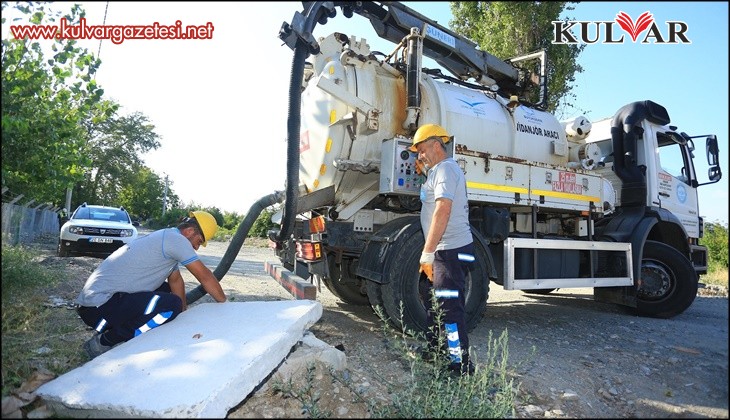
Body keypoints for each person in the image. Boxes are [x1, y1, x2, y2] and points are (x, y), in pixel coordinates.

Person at [76, 210, 227, 358]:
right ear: (189, 231)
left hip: (97, 306)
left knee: (169, 295)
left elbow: (175, 280)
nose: (196, 248)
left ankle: (115, 328)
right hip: (98, 310)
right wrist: (225, 305)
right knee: (170, 305)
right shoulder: (177, 240)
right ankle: (105, 341)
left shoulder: (166, 237)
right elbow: (205, 276)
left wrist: (181, 317)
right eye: (199, 241)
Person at [410, 123, 475, 376]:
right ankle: (437, 348)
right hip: (443, 250)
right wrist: (425, 172)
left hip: (450, 250)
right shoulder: (436, 171)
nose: (420, 156)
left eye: (422, 150)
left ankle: (460, 364)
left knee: (449, 308)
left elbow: (443, 210)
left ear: (436, 145)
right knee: (430, 296)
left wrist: (428, 252)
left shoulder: (447, 169)